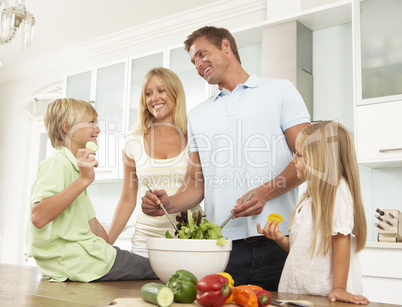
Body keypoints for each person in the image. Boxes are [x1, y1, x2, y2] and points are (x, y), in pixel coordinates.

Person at [142, 26, 311, 290]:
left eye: (202, 54)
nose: (198, 64)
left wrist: (265, 192)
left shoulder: (280, 91)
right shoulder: (198, 115)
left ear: (225, 46)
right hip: (222, 247)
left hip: (280, 240)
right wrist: (169, 202)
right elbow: (196, 186)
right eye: (193, 60)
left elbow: (308, 159)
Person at [25, 98, 157, 282]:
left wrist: (111, 251)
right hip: (78, 260)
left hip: (82, 260)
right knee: (158, 270)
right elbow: (38, 217)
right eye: (91, 122)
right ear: (67, 127)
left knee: (142, 265)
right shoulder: (57, 163)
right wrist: (84, 180)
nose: (98, 128)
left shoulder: (73, 168)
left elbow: (93, 225)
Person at [257, 121, 370, 305]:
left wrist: (339, 288)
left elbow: (341, 239)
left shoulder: (338, 191)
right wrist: (280, 238)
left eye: (300, 155)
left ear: (321, 160)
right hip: (302, 294)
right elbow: (300, 250)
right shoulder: (309, 198)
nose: (293, 160)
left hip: (325, 297)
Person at [107, 67, 202, 256]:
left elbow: (197, 188)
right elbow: (127, 199)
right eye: (148, 93)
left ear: (175, 92)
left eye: (161, 90)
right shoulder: (133, 142)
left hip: (190, 238)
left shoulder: (194, 136)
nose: (154, 98)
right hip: (146, 241)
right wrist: (105, 244)